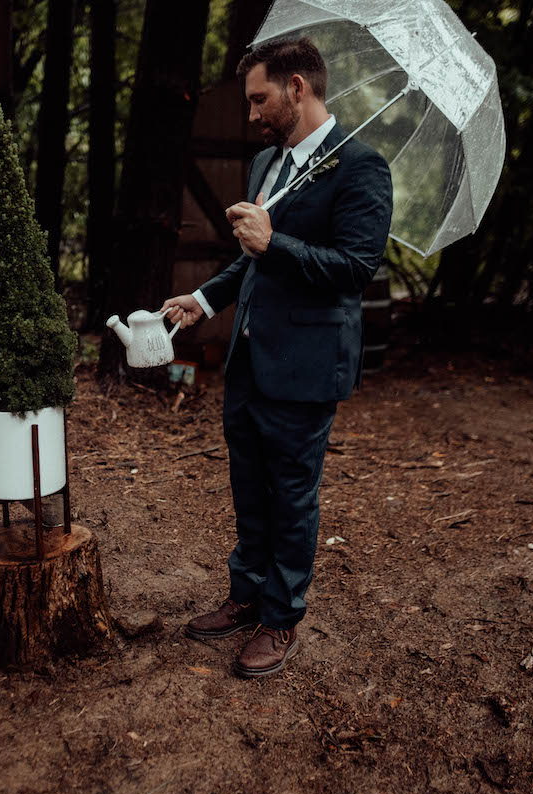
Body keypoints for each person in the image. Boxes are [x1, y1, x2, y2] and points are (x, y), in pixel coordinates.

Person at [163, 38, 393, 677]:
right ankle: (245, 595)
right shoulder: (267, 163)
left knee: (292, 495)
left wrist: (276, 241)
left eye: (261, 98)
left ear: (298, 87)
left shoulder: (362, 167)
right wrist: (204, 301)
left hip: (308, 366)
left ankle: (281, 616)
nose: (253, 113)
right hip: (249, 359)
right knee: (247, 486)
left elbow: (355, 268)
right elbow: (249, 259)